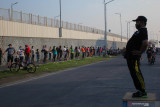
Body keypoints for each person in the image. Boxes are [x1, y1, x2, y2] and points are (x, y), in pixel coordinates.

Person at [125, 16, 148, 98]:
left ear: (142, 22)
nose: (136, 23)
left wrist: (140, 52)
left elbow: (145, 43)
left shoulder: (143, 31)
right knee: (134, 73)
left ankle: (142, 91)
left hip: (134, 57)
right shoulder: (139, 31)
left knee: (136, 72)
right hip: (131, 57)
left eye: (137, 22)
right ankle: (139, 90)